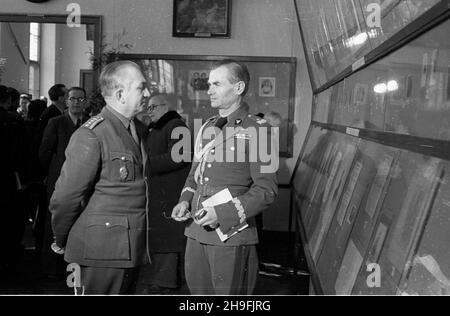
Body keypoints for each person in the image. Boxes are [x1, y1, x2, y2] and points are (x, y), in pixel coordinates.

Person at [171, 60, 278, 295]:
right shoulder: (207, 127)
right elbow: (194, 176)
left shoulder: (260, 130)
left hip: (231, 236)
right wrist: (184, 201)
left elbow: (266, 191)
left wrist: (221, 214)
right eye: (209, 84)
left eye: (217, 84)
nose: (209, 90)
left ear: (238, 88)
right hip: (196, 232)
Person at [49, 61, 151, 294]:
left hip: (128, 249)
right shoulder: (92, 134)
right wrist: (62, 237)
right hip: (100, 253)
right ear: (120, 93)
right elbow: (65, 198)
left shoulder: (136, 129)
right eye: (141, 87)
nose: (147, 93)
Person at [137, 93, 190, 294]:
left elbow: (180, 157)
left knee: (168, 240)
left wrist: (145, 166)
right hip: (162, 191)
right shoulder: (161, 127)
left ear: (165, 107)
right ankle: (165, 280)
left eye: (152, 107)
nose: (148, 112)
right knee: (165, 239)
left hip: (170, 192)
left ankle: (165, 281)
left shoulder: (176, 126)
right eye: (148, 108)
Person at [38, 87, 88, 277]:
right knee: (54, 223)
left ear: (85, 102)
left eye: (81, 99)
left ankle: (74, 268)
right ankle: (51, 268)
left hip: (82, 181)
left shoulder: (90, 124)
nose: (77, 102)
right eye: (73, 99)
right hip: (58, 181)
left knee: (78, 223)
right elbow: (44, 153)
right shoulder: (56, 123)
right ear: (66, 101)